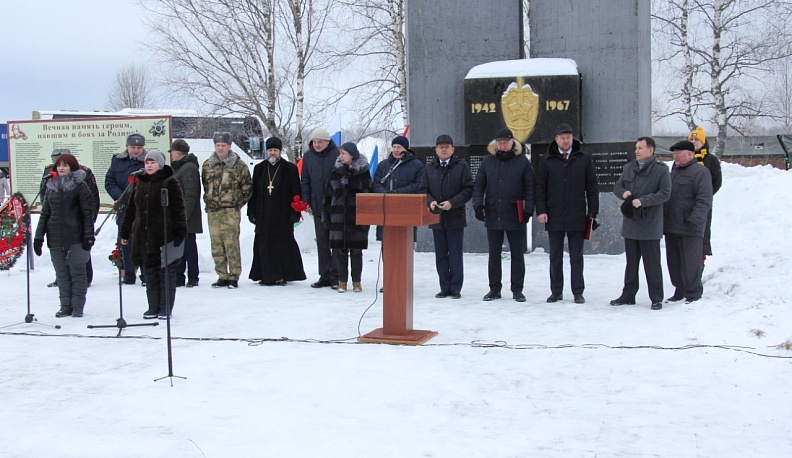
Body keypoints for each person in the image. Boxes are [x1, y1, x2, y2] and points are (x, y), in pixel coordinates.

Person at [535, 123, 599, 304]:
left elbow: (592, 187)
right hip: (554, 214)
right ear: (556, 139)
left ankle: (578, 291)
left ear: (573, 139)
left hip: (577, 214)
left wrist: (593, 212)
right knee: (555, 256)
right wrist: (541, 210)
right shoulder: (547, 160)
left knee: (576, 257)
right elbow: (540, 187)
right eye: (562, 138)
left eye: (568, 137)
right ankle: (556, 291)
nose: (565, 141)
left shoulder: (584, 159)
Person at [120, 150, 187, 319]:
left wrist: (180, 230)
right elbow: (131, 210)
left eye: (153, 162)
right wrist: (126, 231)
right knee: (149, 274)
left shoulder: (169, 182)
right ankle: (153, 307)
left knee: (165, 274)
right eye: (147, 163)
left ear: (160, 164)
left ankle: (165, 308)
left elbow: (179, 208)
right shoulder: (138, 183)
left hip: (164, 236)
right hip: (144, 237)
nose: (149, 166)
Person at [472, 128, 535, 303]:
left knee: (517, 254)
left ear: (512, 142)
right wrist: (478, 205)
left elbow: (530, 188)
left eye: (505, 142)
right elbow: (478, 186)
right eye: (499, 143)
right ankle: (494, 289)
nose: (502, 145)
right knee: (494, 254)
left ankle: (517, 289)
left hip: (515, 214)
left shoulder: (522, 162)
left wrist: (529, 209)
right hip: (493, 213)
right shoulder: (487, 162)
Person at [611, 137, 671, 310]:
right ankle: (628, 295)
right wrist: (624, 194)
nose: (636, 151)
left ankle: (656, 298)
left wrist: (644, 201)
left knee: (652, 264)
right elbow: (618, 187)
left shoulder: (661, 170)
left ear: (651, 150)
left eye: (640, 148)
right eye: (636, 148)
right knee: (631, 264)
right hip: (631, 224)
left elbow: (665, 193)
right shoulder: (629, 168)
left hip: (650, 225)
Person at [33, 153, 95, 318]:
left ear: (72, 167)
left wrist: (88, 235)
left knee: (77, 272)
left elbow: (87, 212)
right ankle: (65, 306)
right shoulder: (50, 185)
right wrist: (39, 237)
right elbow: (45, 213)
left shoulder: (80, 186)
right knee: (61, 274)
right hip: (55, 236)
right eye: (59, 165)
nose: (61, 168)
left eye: (65, 165)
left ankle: (77, 307)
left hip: (76, 236)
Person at [419, 134, 473, 299]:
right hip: (436, 217)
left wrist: (452, 202)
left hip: (455, 215)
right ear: (436, 150)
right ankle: (444, 287)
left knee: (455, 253)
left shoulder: (461, 166)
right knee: (441, 254)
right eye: (440, 147)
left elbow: (468, 189)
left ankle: (455, 287)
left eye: (446, 147)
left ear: (452, 149)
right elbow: (423, 190)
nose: (443, 149)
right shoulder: (429, 168)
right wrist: (431, 202)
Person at [248, 137, 306, 286]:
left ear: (280, 151)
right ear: (267, 151)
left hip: (283, 214)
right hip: (264, 214)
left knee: (282, 246)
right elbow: (253, 192)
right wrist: (251, 212)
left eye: (275, 150)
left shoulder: (289, 168)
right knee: (264, 245)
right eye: (270, 150)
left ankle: (282, 275)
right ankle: (265, 275)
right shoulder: (260, 168)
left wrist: (295, 213)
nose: (272, 153)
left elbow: (296, 192)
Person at [42, 148, 100, 288]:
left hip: (77, 222)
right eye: (57, 161)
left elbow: (93, 198)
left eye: (64, 161)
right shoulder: (49, 173)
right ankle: (61, 279)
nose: (60, 165)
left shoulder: (83, 172)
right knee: (59, 255)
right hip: (58, 223)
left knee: (80, 253)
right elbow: (44, 194)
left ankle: (85, 278)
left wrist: (89, 222)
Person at [664, 140, 713, 304]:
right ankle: (680, 290)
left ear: (690, 154)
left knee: (691, 263)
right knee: (674, 262)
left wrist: (695, 218)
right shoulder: (673, 172)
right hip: (672, 225)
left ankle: (693, 292)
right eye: (673, 154)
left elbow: (704, 200)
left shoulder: (701, 172)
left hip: (690, 227)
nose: (675, 157)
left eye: (678, 153)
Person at [202, 131, 252, 289]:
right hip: (213, 211)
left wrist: (237, 203)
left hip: (230, 211)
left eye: (223, 145)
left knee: (231, 244)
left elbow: (247, 188)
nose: (220, 148)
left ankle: (234, 275)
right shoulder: (207, 165)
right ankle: (222, 275)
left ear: (229, 146)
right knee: (216, 244)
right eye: (218, 145)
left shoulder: (238, 165)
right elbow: (205, 184)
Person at [323, 142, 372, 293]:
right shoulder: (335, 172)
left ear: (352, 155)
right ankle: (342, 281)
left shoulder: (363, 173)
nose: (341, 156)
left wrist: (366, 220)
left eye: (344, 153)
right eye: (340, 153)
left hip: (357, 218)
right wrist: (327, 217)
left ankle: (357, 281)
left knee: (356, 252)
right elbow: (327, 196)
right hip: (338, 217)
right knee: (340, 251)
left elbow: (369, 197)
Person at [301, 127, 340, 289]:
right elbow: (305, 179)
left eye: (320, 142)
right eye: (314, 142)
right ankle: (324, 275)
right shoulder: (308, 156)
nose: (316, 145)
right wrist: (306, 200)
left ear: (327, 142)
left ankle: (336, 275)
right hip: (318, 205)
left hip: (335, 205)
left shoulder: (337, 154)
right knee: (322, 241)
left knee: (335, 241)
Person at [105, 133, 147, 285]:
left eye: (139, 147)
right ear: (127, 147)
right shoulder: (117, 161)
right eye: (133, 147)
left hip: (143, 208)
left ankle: (145, 275)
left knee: (144, 241)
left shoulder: (149, 161)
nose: (136, 151)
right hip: (124, 206)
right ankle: (129, 273)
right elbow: (109, 180)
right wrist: (119, 195)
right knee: (126, 240)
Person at [372, 135, 426, 239]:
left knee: (404, 243)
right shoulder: (384, 165)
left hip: (407, 211)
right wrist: (385, 193)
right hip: (386, 210)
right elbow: (376, 183)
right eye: (394, 147)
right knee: (387, 245)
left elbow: (419, 185)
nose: (396, 150)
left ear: (406, 149)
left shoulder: (417, 165)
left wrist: (398, 192)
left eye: (399, 147)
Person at [169, 139, 202, 288]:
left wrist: (184, 216)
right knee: (179, 246)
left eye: (172, 153)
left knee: (189, 247)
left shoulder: (188, 168)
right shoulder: (180, 167)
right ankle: (178, 277)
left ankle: (193, 277)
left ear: (177, 153)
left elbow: (190, 194)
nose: (171, 156)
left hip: (186, 216)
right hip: (178, 215)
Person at [688, 126, 722, 262]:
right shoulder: (685, 158)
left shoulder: (711, 160)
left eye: (697, 139)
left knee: (702, 232)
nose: (694, 142)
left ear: (703, 142)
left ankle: (699, 262)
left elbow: (717, 182)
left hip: (703, 203)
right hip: (686, 202)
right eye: (691, 139)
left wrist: (705, 196)